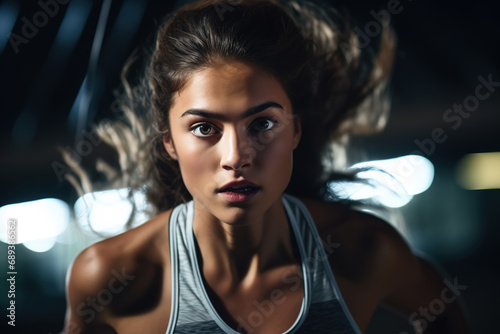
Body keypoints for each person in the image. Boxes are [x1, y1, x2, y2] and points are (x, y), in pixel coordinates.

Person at [64, 0, 469, 333]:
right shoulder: (112, 280)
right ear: (169, 141)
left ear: (295, 131)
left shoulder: (362, 251)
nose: (236, 156)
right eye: (204, 127)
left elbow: (444, 313)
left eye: (262, 124)